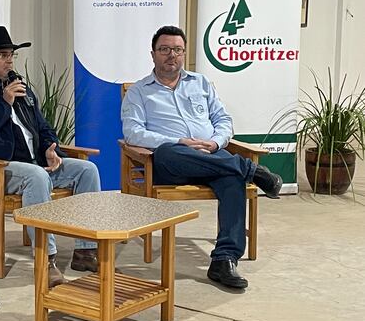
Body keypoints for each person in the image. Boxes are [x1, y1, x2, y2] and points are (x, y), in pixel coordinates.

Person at [121, 25, 283, 289]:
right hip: (172, 163)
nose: (171, 55)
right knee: (170, 151)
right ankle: (252, 170)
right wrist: (179, 142)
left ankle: (224, 260)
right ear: (153, 54)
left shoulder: (201, 83)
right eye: (164, 49)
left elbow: (223, 119)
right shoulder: (139, 91)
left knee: (232, 177)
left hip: (212, 157)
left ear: (184, 53)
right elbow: (132, 132)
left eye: (177, 50)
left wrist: (215, 142)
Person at [0, 26, 101, 287]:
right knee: (35, 176)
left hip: (34, 164)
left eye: (11, 54)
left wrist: (50, 147)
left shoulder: (21, 87)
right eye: (2, 54)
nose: (9, 60)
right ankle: (47, 260)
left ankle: (86, 251)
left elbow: (43, 126)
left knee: (86, 170)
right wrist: (4, 103)